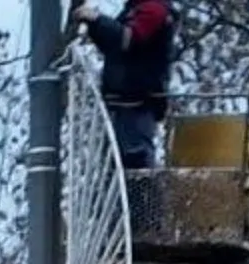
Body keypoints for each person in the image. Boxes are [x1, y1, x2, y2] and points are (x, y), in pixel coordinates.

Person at [71, 0, 178, 170]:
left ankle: (142, 196)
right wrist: (95, 26)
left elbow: (127, 39)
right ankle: (135, 194)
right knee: (120, 166)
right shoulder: (136, 9)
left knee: (136, 163)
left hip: (137, 102)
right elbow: (113, 45)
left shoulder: (154, 9)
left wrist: (98, 20)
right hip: (124, 101)